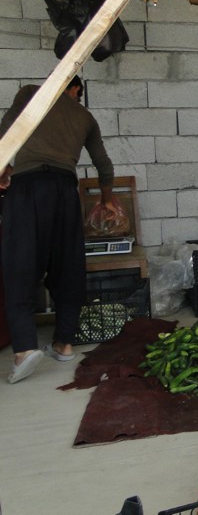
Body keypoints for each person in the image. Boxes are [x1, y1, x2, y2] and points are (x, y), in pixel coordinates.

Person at [0, 75, 115, 383]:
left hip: (28, 188)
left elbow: (8, 129)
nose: (78, 100)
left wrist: (4, 168)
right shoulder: (85, 117)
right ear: (74, 88)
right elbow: (104, 165)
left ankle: (25, 349)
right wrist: (106, 200)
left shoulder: (30, 93)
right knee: (67, 267)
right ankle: (64, 344)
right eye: (79, 94)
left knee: (21, 265)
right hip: (65, 191)